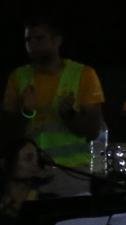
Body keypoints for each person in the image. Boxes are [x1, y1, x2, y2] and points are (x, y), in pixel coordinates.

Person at [4, 18, 105, 172]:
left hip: (71, 170)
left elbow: (93, 132)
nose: (32, 44)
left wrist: (69, 114)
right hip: (30, 171)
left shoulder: (84, 74)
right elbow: (8, 133)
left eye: (39, 38)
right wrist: (26, 112)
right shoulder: (18, 76)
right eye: (28, 40)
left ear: (57, 41)